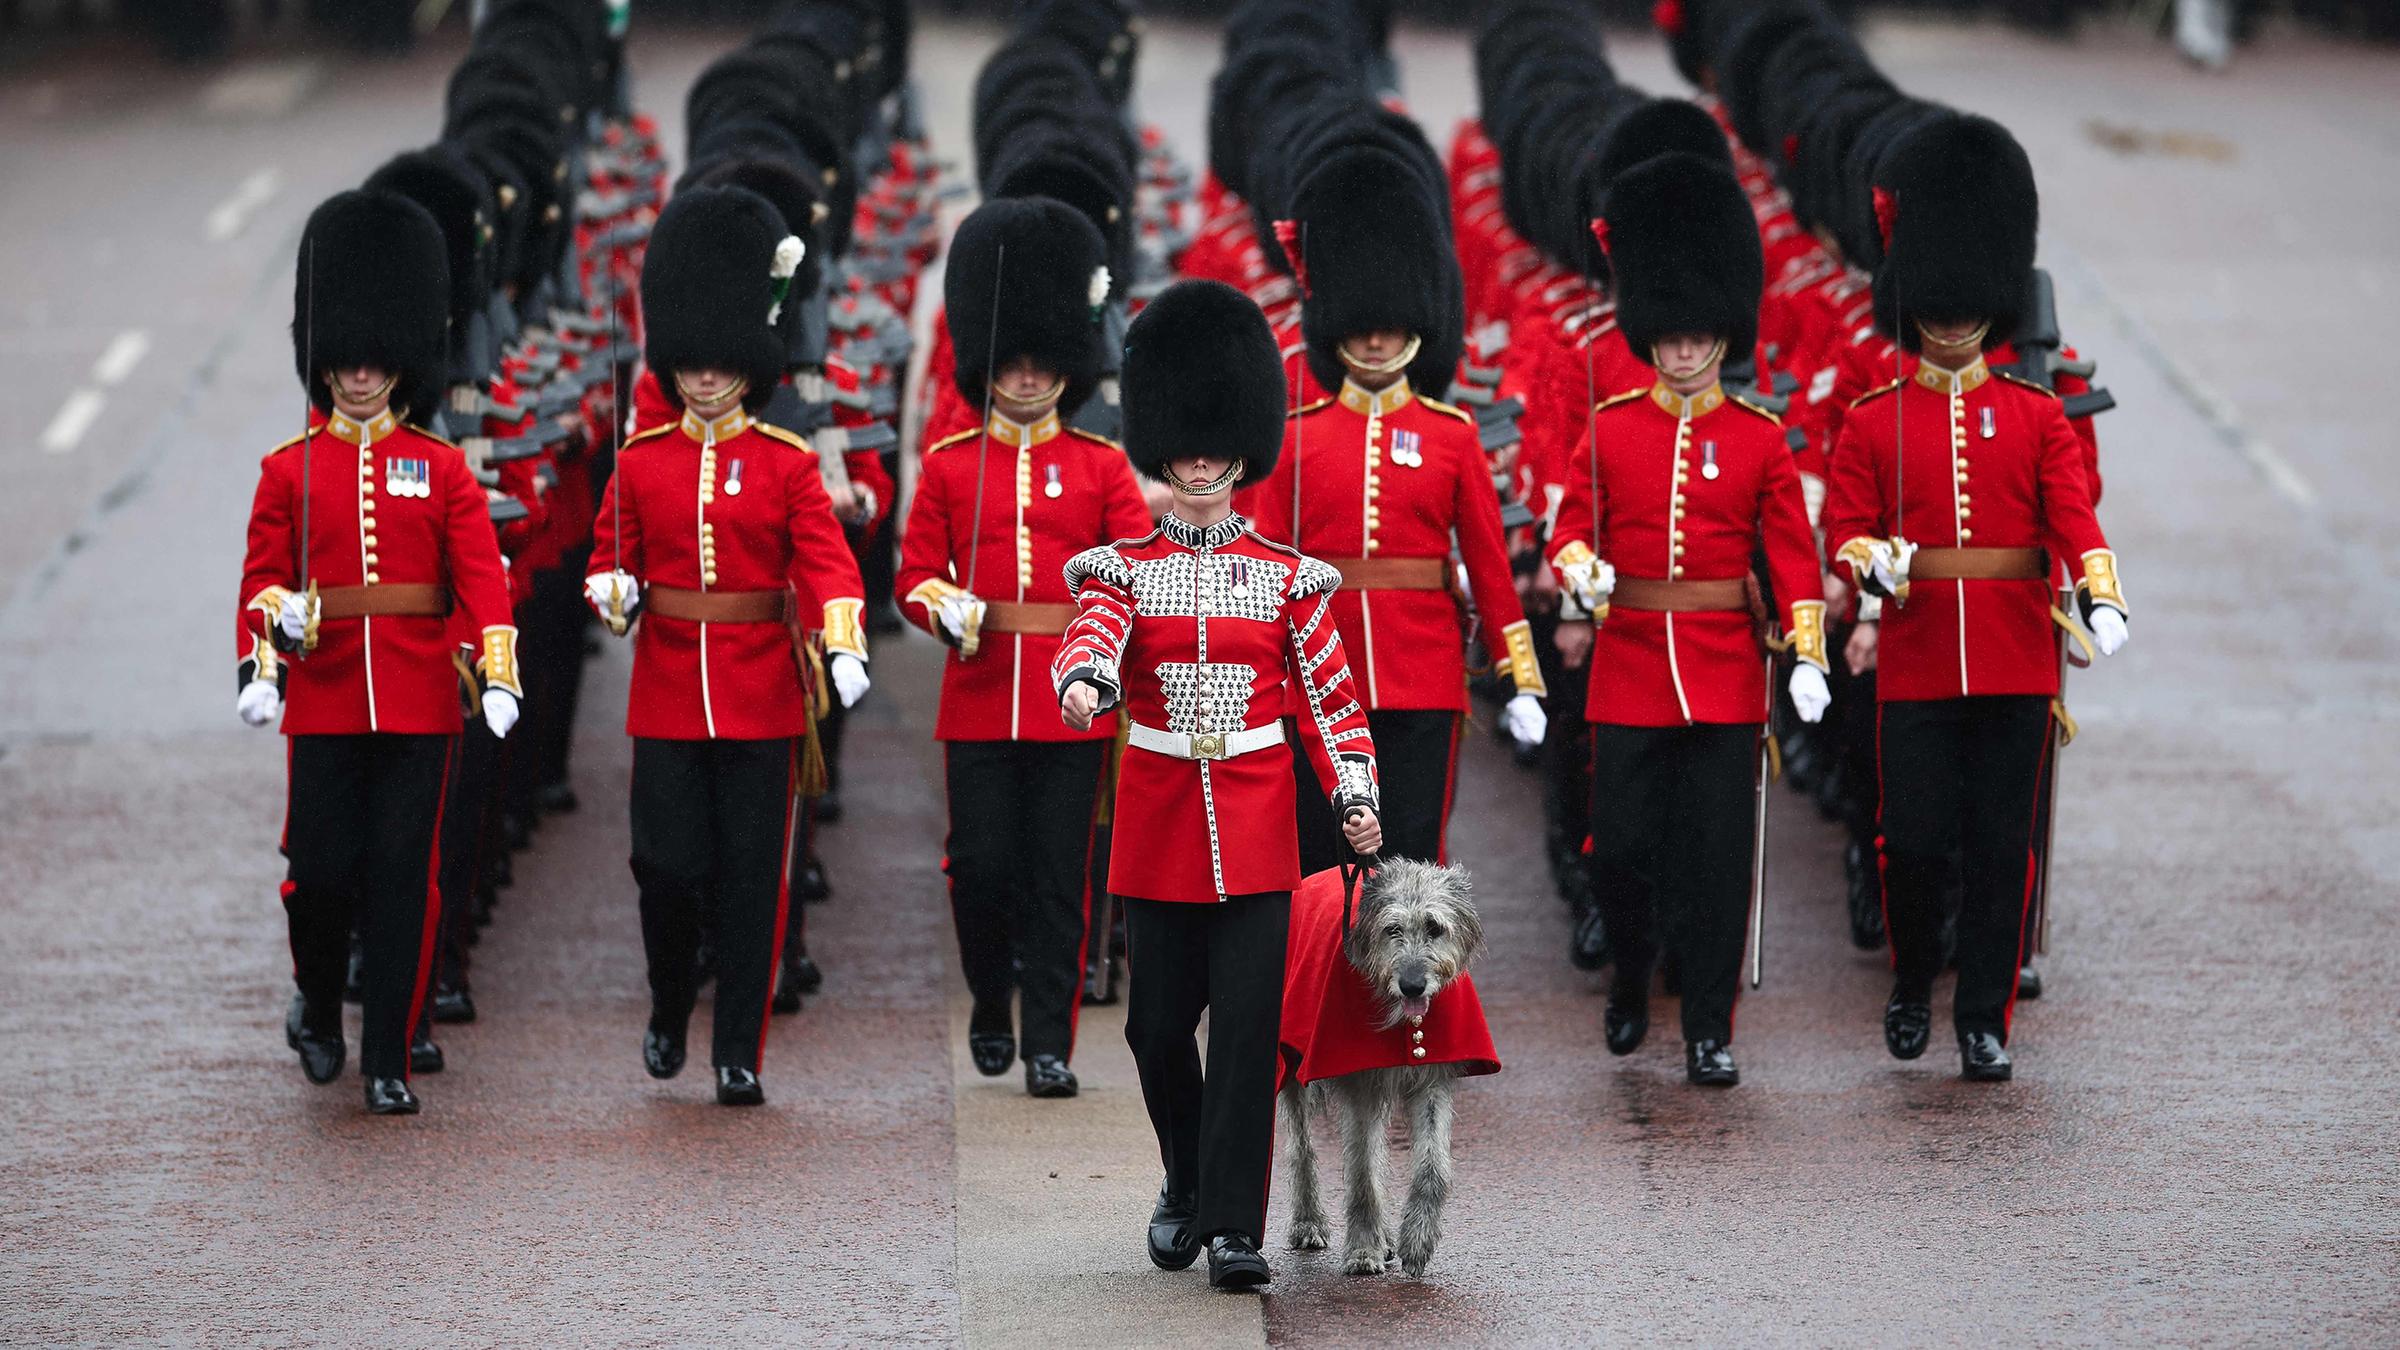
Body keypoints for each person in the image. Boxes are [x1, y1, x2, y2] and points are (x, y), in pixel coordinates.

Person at [1053, 280, 1382, 1290]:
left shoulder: (1287, 577)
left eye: (1213, 444)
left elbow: (1328, 698)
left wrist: (1356, 792)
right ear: (1163, 444)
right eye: (1184, 445)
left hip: (1253, 825)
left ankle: (1236, 1227)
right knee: (1156, 1029)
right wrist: (1083, 677)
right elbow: (1096, 632)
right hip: (1157, 823)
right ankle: (1185, 1177)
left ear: (1240, 447)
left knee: (1246, 1034)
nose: (1198, 459)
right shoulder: (1122, 567)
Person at [1825, 113, 2128, 1083]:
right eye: (1935, 305)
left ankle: (1984, 1019)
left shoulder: (2035, 414)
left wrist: (2100, 594)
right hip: (1917, 657)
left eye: (1966, 307)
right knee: (1912, 844)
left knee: (2003, 850)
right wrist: (1872, 566)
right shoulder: (1876, 421)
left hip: (2013, 655)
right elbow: (1847, 527)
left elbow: (2074, 516)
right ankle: (1915, 978)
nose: (1951, 320)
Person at [585, 185, 872, 1107]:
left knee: (755, 879)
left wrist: (842, 642)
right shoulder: (640, 460)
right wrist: (613, 594)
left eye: (722, 364)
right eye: (692, 365)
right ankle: (672, 1002)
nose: (706, 378)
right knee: (663, 867)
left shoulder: (787, 462)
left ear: (749, 363)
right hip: (668, 690)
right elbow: (605, 562)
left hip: (761, 696)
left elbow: (824, 563)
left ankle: (738, 1051)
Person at [236, 190, 522, 1116]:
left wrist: (495, 668)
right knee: (318, 875)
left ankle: (390, 1053)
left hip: (418, 698)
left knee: (406, 875)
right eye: (345, 365)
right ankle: (318, 1005)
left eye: (375, 364)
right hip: (321, 696)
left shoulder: (442, 470)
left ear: (403, 367)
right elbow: (261, 580)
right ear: (323, 368)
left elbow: (481, 580)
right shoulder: (290, 469)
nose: (360, 378)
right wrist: (268, 647)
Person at [1547, 153, 1829, 1088]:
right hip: (1629, 668)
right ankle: (1632, 976)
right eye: (1665, 338)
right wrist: (1577, 565)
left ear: (1720, 334)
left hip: (1723, 674)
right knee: (1620, 853)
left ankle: (1712, 1028)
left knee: (1717, 867)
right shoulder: (1612, 427)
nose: (1679, 351)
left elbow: (1791, 554)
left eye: (1693, 336)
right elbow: (1572, 532)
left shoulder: (1757, 437)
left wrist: (1805, 652)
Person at [899, 198, 1153, 1098]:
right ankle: (987, 995)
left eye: (1045, 363)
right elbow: (914, 574)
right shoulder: (949, 463)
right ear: (987, 366)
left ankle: (1049, 1040)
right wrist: (947, 608)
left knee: (1059, 876)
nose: (1030, 376)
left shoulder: (1099, 465)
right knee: (981, 867)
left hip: (1072, 705)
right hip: (976, 696)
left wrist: (1100, 650)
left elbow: (1132, 570)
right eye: (1013, 362)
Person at [1252, 145, 1547, 869]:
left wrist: (1520, 676)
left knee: (1414, 859)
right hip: (1320, 675)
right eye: (1359, 326)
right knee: (1323, 860)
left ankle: (1410, 990)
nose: (1376, 337)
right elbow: (1263, 571)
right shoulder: (1294, 440)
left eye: (1387, 324)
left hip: (1426, 677)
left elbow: (1488, 566)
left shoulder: (1452, 437)